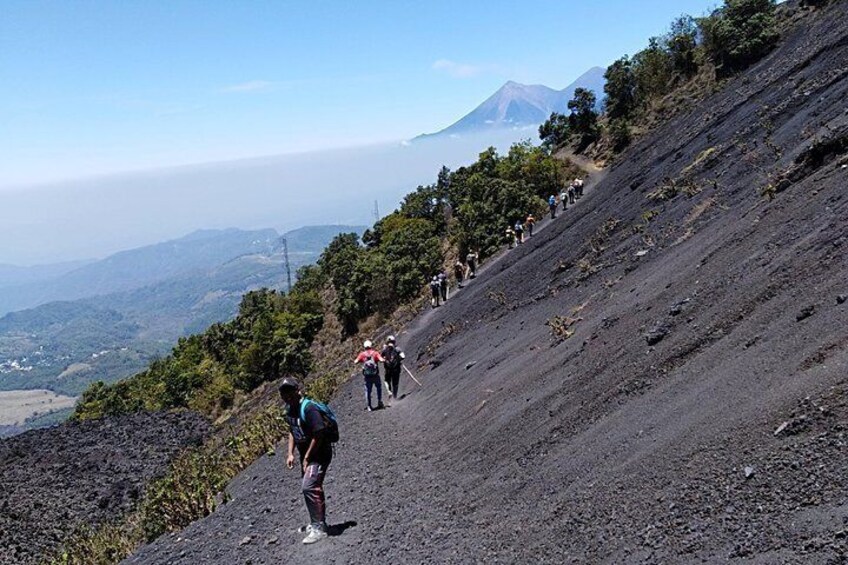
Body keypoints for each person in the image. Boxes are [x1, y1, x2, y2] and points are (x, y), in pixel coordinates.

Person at [279, 377, 335, 545]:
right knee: (310, 487)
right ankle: (316, 522)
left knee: (309, 486)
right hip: (308, 456)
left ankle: (319, 528)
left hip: (319, 454)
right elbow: (292, 430)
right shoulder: (291, 409)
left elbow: (319, 434)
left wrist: (307, 457)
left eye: (289, 391)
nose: (287, 395)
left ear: (297, 390)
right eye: (283, 393)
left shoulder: (309, 409)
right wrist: (290, 453)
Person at [354, 340, 384, 410]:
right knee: (378, 388)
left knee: (367, 391)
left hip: (367, 377)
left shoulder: (362, 354)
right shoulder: (375, 353)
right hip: (375, 375)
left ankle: (369, 406)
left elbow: (355, 361)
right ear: (371, 346)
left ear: (364, 346)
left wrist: (361, 361)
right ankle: (379, 402)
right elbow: (381, 360)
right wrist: (383, 360)